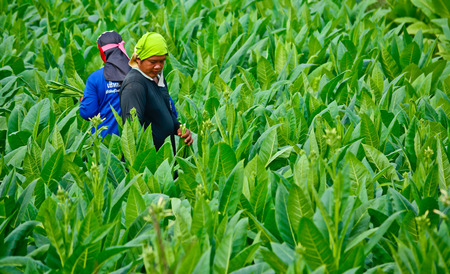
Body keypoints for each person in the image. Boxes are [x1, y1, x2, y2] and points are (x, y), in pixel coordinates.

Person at [120, 32, 192, 151]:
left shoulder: (157, 77)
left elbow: (163, 111)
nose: (158, 66)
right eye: (153, 62)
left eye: (162, 61)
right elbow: (133, 130)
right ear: (138, 59)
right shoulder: (135, 84)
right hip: (150, 161)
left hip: (164, 158)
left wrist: (177, 127)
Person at [79, 31, 131, 138]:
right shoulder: (139, 72)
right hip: (135, 141)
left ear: (103, 52)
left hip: (104, 141)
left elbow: (88, 113)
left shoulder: (95, 78)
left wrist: (84, 101)